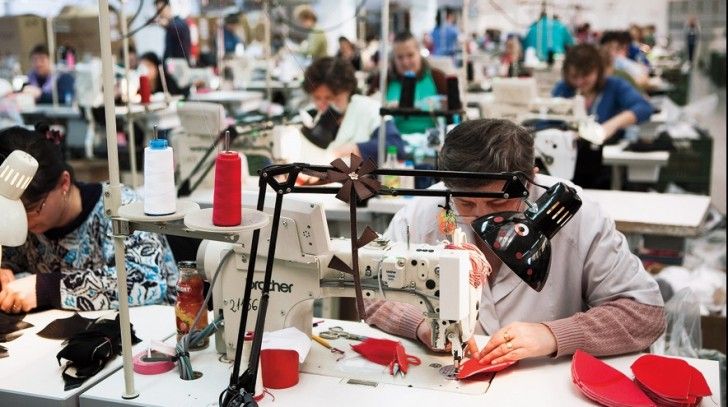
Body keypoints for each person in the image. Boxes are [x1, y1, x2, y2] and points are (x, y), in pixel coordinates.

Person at [365, 118, 665, 365]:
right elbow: (370, 292)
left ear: (531, 179)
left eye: (497, 205)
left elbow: (644, 314)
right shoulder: (422, 215)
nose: (481, 219)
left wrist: (553, 335)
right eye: (466, 204)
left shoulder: (578, 218)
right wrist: (421, 325)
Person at [0, 125, 178, 313]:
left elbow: (148, 281)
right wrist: (6, 271)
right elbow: (14, 260)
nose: (23, 221)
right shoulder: (19, 222)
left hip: (156, 323)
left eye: (32, 209)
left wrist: (47, 288)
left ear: (64, 183)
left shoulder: (120, 207)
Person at [552, 44, 652, 189]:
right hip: (569, 162)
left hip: (604, 166)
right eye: (574, 76)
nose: (579, 82)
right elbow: (547, 120)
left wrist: (612, 125)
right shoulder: (563, 89)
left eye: (585, 76)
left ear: (598, 71)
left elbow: (644, 107)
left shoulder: (614, 86)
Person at [301, 57, 404, 163]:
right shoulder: (313, 116)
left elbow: (395, 146)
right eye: (317, 98)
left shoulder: (370, 109)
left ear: (347, 90)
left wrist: (350, 150)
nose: (322, 105)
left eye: (330, 98)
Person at [368, 32, 450, 135]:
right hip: (393, 141)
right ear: (393, 58)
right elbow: (368, 107)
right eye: (400, 57)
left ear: (419, 52)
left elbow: (453, 107)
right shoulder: (383, 79)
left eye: (410, 55)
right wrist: (386, 106)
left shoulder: (437, 77)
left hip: (433, 140)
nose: (405, 62)